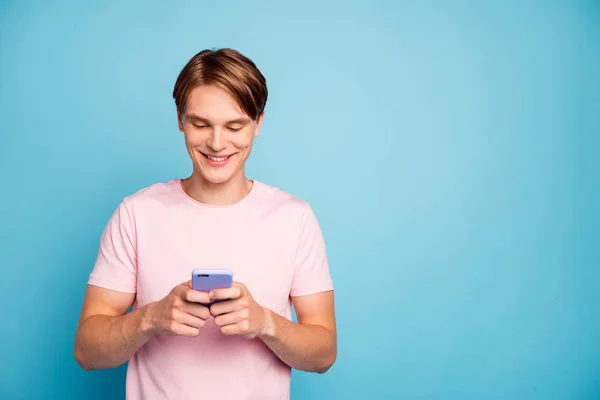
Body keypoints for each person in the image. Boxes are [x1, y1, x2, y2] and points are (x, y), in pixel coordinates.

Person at [73, 48, 337, 400]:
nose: (216, 143)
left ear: (258, 123)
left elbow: (323, 355)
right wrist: (150, 319)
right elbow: (87, 353)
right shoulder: (137, 214)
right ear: (180, 120)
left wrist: (266, 323)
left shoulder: (294, 218)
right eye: (201, 124)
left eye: (234, 126)